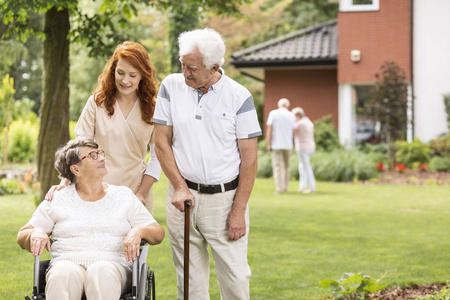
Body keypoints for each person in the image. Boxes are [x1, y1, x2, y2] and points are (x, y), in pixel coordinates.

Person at [153, 28, 261, 300]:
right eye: (182, 64)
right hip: (182, 198)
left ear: (215, 67)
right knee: (189, 283)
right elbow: (161, 141)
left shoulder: (239, 96)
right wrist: (178, 186)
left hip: (224, 201)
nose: (185, 72)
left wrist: (238, 211)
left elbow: (250, 159)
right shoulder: (170, 86)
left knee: (235, 279)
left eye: (192, 68)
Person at [17, 138, 165, 300]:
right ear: (76, 169)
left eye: (100, 153)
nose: (101, 158)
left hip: (113, 266)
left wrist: (138, 231)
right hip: (66, 263)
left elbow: (158, 233)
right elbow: (23, 235)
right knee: (63, 273)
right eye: (93, 156)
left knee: (100, 272)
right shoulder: (58, 199)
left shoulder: (123, 196)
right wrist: (36, 232)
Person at [45, 41, 161, 213]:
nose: (125, 80)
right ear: (113, 70)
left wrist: (142, 193)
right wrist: (65, 181)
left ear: (143, 75)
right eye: (120, 73)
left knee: (134, 239)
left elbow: (157, 157)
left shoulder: (153, 108)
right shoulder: (97, 102)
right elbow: (78, 148)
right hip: (96, 188)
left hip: (135, 191)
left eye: (132, 75)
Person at [266, 98, 296, 194]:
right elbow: (294, 131)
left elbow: (269, 129)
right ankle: (285, 188)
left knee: (278, 167)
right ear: (287, 105)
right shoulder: (291, 115)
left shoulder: (273, 113)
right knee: (287, 167)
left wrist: (269, 143)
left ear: (279, 105)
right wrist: (293, 141)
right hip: (288, 144)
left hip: (276, 144)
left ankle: (279, 189)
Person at [292, 107, 316, 193]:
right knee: (302, 166)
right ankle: (302, 186)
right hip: (310, 147)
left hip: (303, 147)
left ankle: (312, 187)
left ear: (298, 116)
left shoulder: (299, 124)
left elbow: (293, 132)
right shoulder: (309, 122)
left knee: (306, 166)